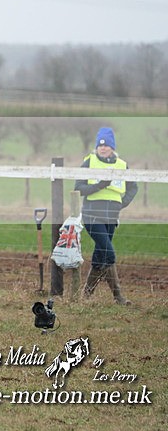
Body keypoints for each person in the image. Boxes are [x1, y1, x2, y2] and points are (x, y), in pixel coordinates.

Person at [74, 127, 138, 305]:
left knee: (100, 254)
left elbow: (133, 187)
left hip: (112, 216)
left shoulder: (122, 165)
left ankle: (86, 295)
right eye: (100, 145)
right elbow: (78, 187)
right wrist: (100, 186)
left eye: (106, 145)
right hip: (92, 215)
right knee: (109, 253)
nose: (103, 148)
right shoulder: (89, 162)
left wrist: (122, 203)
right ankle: (118, 297)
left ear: (112, 147)